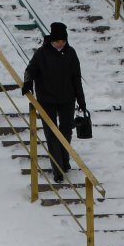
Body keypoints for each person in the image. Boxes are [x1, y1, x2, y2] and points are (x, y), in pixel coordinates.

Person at [21, 21, 86, 183]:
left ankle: (64, 161)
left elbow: (76, 78)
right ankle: (57, 169)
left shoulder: (71, 53)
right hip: (46, 100)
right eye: (58, 41)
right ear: (51, 39)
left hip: (67, 100)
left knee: (66, 132)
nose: (61, 44)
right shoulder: (42, 53)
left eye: (63, 41)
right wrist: (28, 82)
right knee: (51, 134)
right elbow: (30, 70)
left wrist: (81, 100)